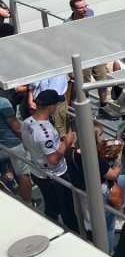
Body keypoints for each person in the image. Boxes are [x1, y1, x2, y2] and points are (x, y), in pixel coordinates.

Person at [21, 89, 79, 231]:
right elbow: (53, 159)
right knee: (66, 208)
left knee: (52, 205)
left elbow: (27, 146)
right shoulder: (44, 132)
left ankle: (49, 228)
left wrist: (56, 141)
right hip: (54, 176)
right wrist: (67, 142)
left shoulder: (27, 122)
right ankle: (77, 234)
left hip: (38, 171)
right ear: (51, 107)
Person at [65, 124, 121, 251]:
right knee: (108, 228)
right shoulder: (97, 161)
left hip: (82, 195)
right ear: (94, 139)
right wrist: (119, 156)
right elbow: (114, 175)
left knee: (92, 224)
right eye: (100, 135)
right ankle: (109, 252)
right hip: (100, 195)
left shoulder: (70, 153)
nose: (102, 138)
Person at [65, 0, 111, 115]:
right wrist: (71, 69)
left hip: (96, 54)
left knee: (103, 81)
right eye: (81, 8)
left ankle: (103, 107)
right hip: (82, 59)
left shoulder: (90, 13)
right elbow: (67, 47)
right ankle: (86, 110)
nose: (85, 9)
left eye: (86, 6)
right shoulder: (68, 25)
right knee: (83, 85)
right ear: (73, 9)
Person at [0, 94, 32, 202]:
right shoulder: (3, 103)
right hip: (14, 144)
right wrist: (29, 139)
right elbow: (17, 128)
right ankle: (28, 204)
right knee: (24, 175)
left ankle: (8, 175)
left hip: (2, 145)